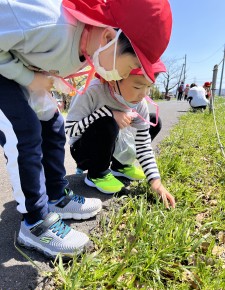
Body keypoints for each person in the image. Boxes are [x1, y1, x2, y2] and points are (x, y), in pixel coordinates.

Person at [0, 0, 172, 258]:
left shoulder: (92, 47)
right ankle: (34, 221)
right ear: (108, 37)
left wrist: (155, 182)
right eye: (125, 70)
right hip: (8, 74)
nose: (115, 77)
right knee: (24, 132)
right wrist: (29, 79)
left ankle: (56, 195)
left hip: (17, 68)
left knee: (53, 124)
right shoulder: (50, 23)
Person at [66, 60, 175, 209]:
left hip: (112, 144)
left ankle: (120, 166)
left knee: (154, 121)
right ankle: (97, 174)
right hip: (83, 150)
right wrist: (108, 113)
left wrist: (155, 182)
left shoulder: (140, 101)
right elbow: (70, 131)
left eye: (149, 86)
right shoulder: (91, 91)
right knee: (108, 122)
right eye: (137, 86)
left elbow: (143, 145)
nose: (144, 94)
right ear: (113, 80)